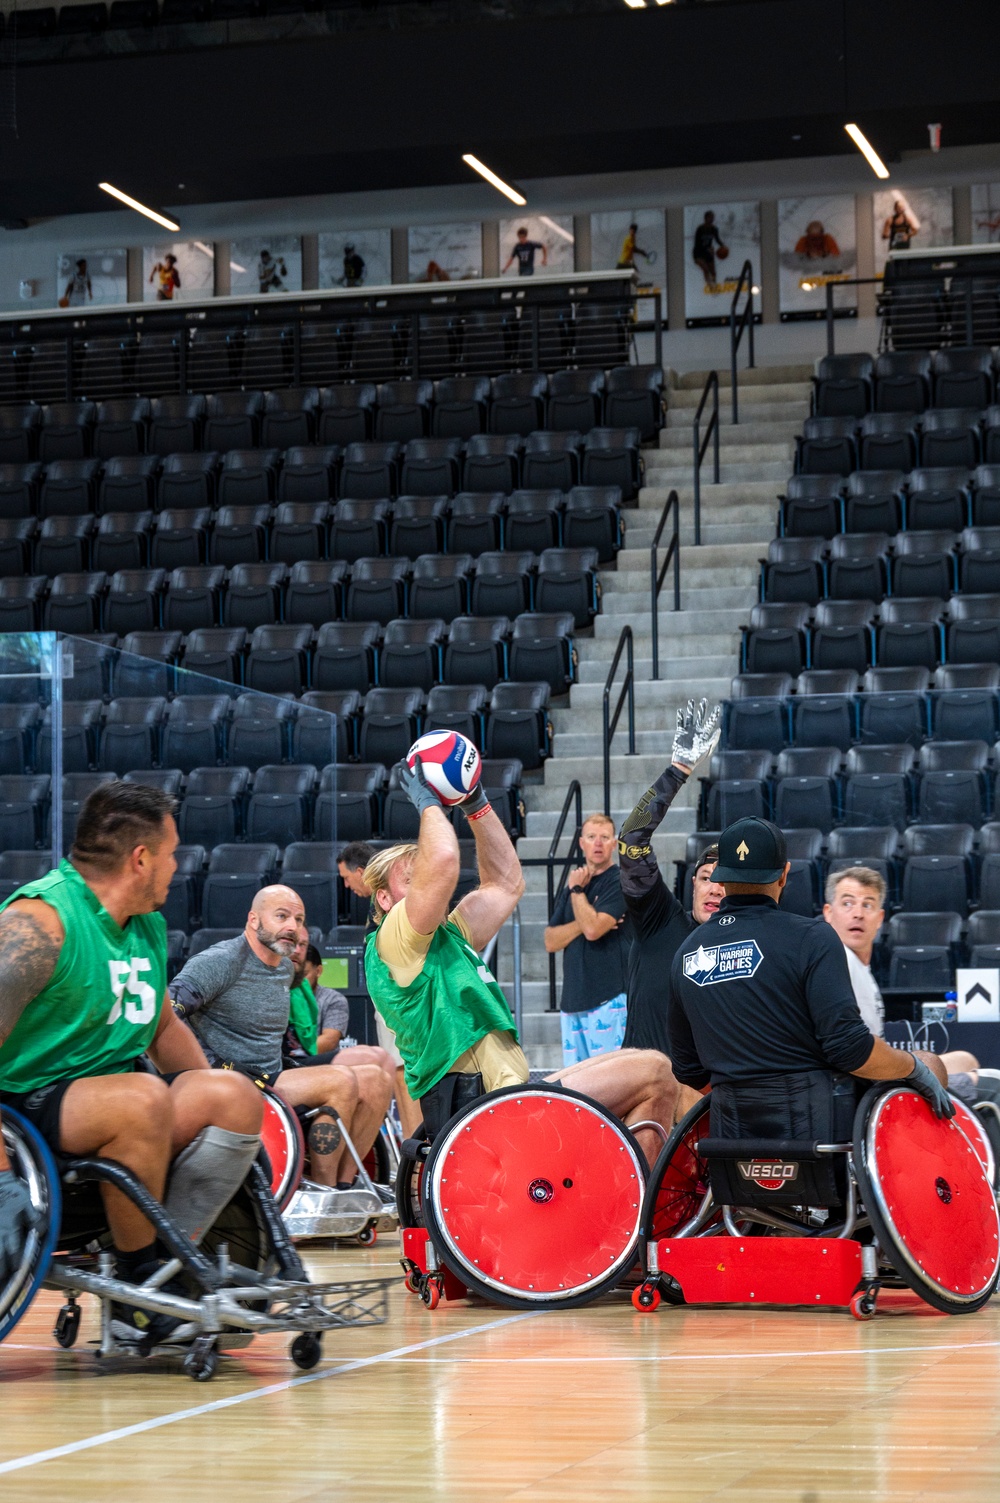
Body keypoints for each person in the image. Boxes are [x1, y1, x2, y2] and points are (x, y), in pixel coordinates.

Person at [0, 782, 263, 1341]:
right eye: (171, 855)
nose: (176, 868)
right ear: (140, 859)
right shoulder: (40, 923)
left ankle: (173, 1260)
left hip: (114, 1101)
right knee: (139, 1100)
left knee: (234, 1097)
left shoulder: (144, 924)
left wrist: (213, 1089)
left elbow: (162, 1023)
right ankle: (137, 1296)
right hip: (25, 1108)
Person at [363, 759, 696, 1164]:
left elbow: (505, 885)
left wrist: (477, 804)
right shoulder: (394, 937)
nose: (426, 885)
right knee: (654, 1073)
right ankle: (637, 1211)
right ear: (384, 899)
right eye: (411, 879)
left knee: (649, 1065)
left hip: (505, 1095)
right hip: (481, 1109)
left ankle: (625, 1197)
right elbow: (445, 861)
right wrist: (426, 802)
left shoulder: (448, 934)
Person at [668, 818, 955, 1145]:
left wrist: (742, 1091)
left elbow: (688, 1070)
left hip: (733, 1135)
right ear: (784, 874)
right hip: (816, 1130)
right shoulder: (812, 937)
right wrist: (914, 1068)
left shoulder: (686, 953)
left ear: (721, 877)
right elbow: (851, 1050)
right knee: (930, 1062)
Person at [171, 886, 391, 1190]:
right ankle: (324, 1193)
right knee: (341, 1081)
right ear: (253, 920)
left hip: (271, 1076)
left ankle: (345, 1187)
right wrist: (214, 1064)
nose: (292, 927)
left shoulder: (284, 968)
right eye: (281, 916)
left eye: (299, 919)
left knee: (377, 1079)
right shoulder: (220, 961)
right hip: (232, 1084)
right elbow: (169, 1014)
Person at [619, 699, 725, 1055]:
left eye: (726, 883)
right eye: (708, 877)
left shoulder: (741, 945)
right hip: (640, 1090)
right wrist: (678, 770)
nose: (716, 889)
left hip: (701, 1099)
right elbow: (631, 840)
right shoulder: (660, 920)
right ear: (694, 882)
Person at [822, 865, 980, 1101]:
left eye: (867, 904)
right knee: (987, 1081)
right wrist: (911, 1067)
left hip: (876, 1078)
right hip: (868, 1089)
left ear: (880, 918)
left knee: (966, 1060)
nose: (858, 913)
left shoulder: (860, 968)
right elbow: (854, 1053)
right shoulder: (839, 959)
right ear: (828, 913)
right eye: (847, 903)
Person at [336, 840, 422, 1135]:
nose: (347, 886)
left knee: (403, 1075)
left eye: (347, 878)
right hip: (401, 998)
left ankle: (417, 1157)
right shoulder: (387, 902)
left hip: (397, 999)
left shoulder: (385, 901)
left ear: (361, 872)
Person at [544, 813, 629, 1064]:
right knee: (576, 1090)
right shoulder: (573, 884)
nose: (598, 843)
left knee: (612, 1086)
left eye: (605, 838)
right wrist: (587, 920)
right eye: (592, 837)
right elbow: (550, 940)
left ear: (614, 844)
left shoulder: (620, 881)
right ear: (582, 843)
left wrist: (578, 892)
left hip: (609, 998)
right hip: (572, 1001)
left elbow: (593, 931)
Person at [692, 211, 727, 290]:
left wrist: (723, 246)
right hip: (699, 252)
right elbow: (697, 243)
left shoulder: (714, 229)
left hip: (708, 253)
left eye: (712, 217)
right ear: (705, 218)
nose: (712, 219)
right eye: (710, 217)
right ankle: (710, 286)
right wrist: (706, 249)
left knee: (713, 272)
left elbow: (717, 239)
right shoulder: (700, 229)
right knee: (706, 269)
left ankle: (714, 285)